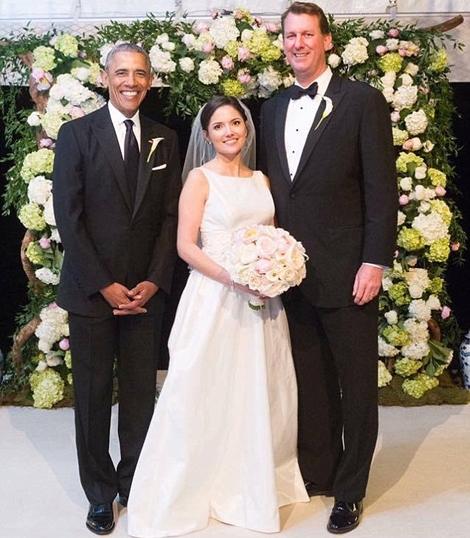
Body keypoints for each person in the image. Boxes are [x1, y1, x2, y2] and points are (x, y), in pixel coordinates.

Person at [127, 95, 309, 537]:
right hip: (215, 297)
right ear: (206, 136)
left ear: (246, 127)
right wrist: (234, 278)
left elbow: (272, 235)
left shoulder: (262, 180)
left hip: (262, 299)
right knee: (203, 389)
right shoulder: (199, 178)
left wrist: (276, 268)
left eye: (235, 123)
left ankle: (251, 483)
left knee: (259, 388)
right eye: (219, 126)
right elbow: (185, 245)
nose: (229, 132)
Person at [259, 2, 398, 534]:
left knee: (356, 385)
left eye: (307, 34)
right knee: (310, 380)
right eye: (290, 35)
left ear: (326, 40)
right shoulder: (272, 107)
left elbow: (380, 190)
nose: (298, 43)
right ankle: (320, 472)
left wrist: (373, 261)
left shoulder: (362, 101)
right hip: (290, 273)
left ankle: (351, 490)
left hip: (349, 270)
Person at [52, 43, 181, 535]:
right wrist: (104, 283)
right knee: (91, 398)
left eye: (140, 73)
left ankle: (134, 483)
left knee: (140, 397)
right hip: (93, 293)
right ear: (105, 77)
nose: (132, 81)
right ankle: (99, 495)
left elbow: (170, 218)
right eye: (122, 72)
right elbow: (70, 218)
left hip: (146, 294)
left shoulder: (166, 139)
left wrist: (154, 279)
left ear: (150, 80)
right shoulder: (76, 135)